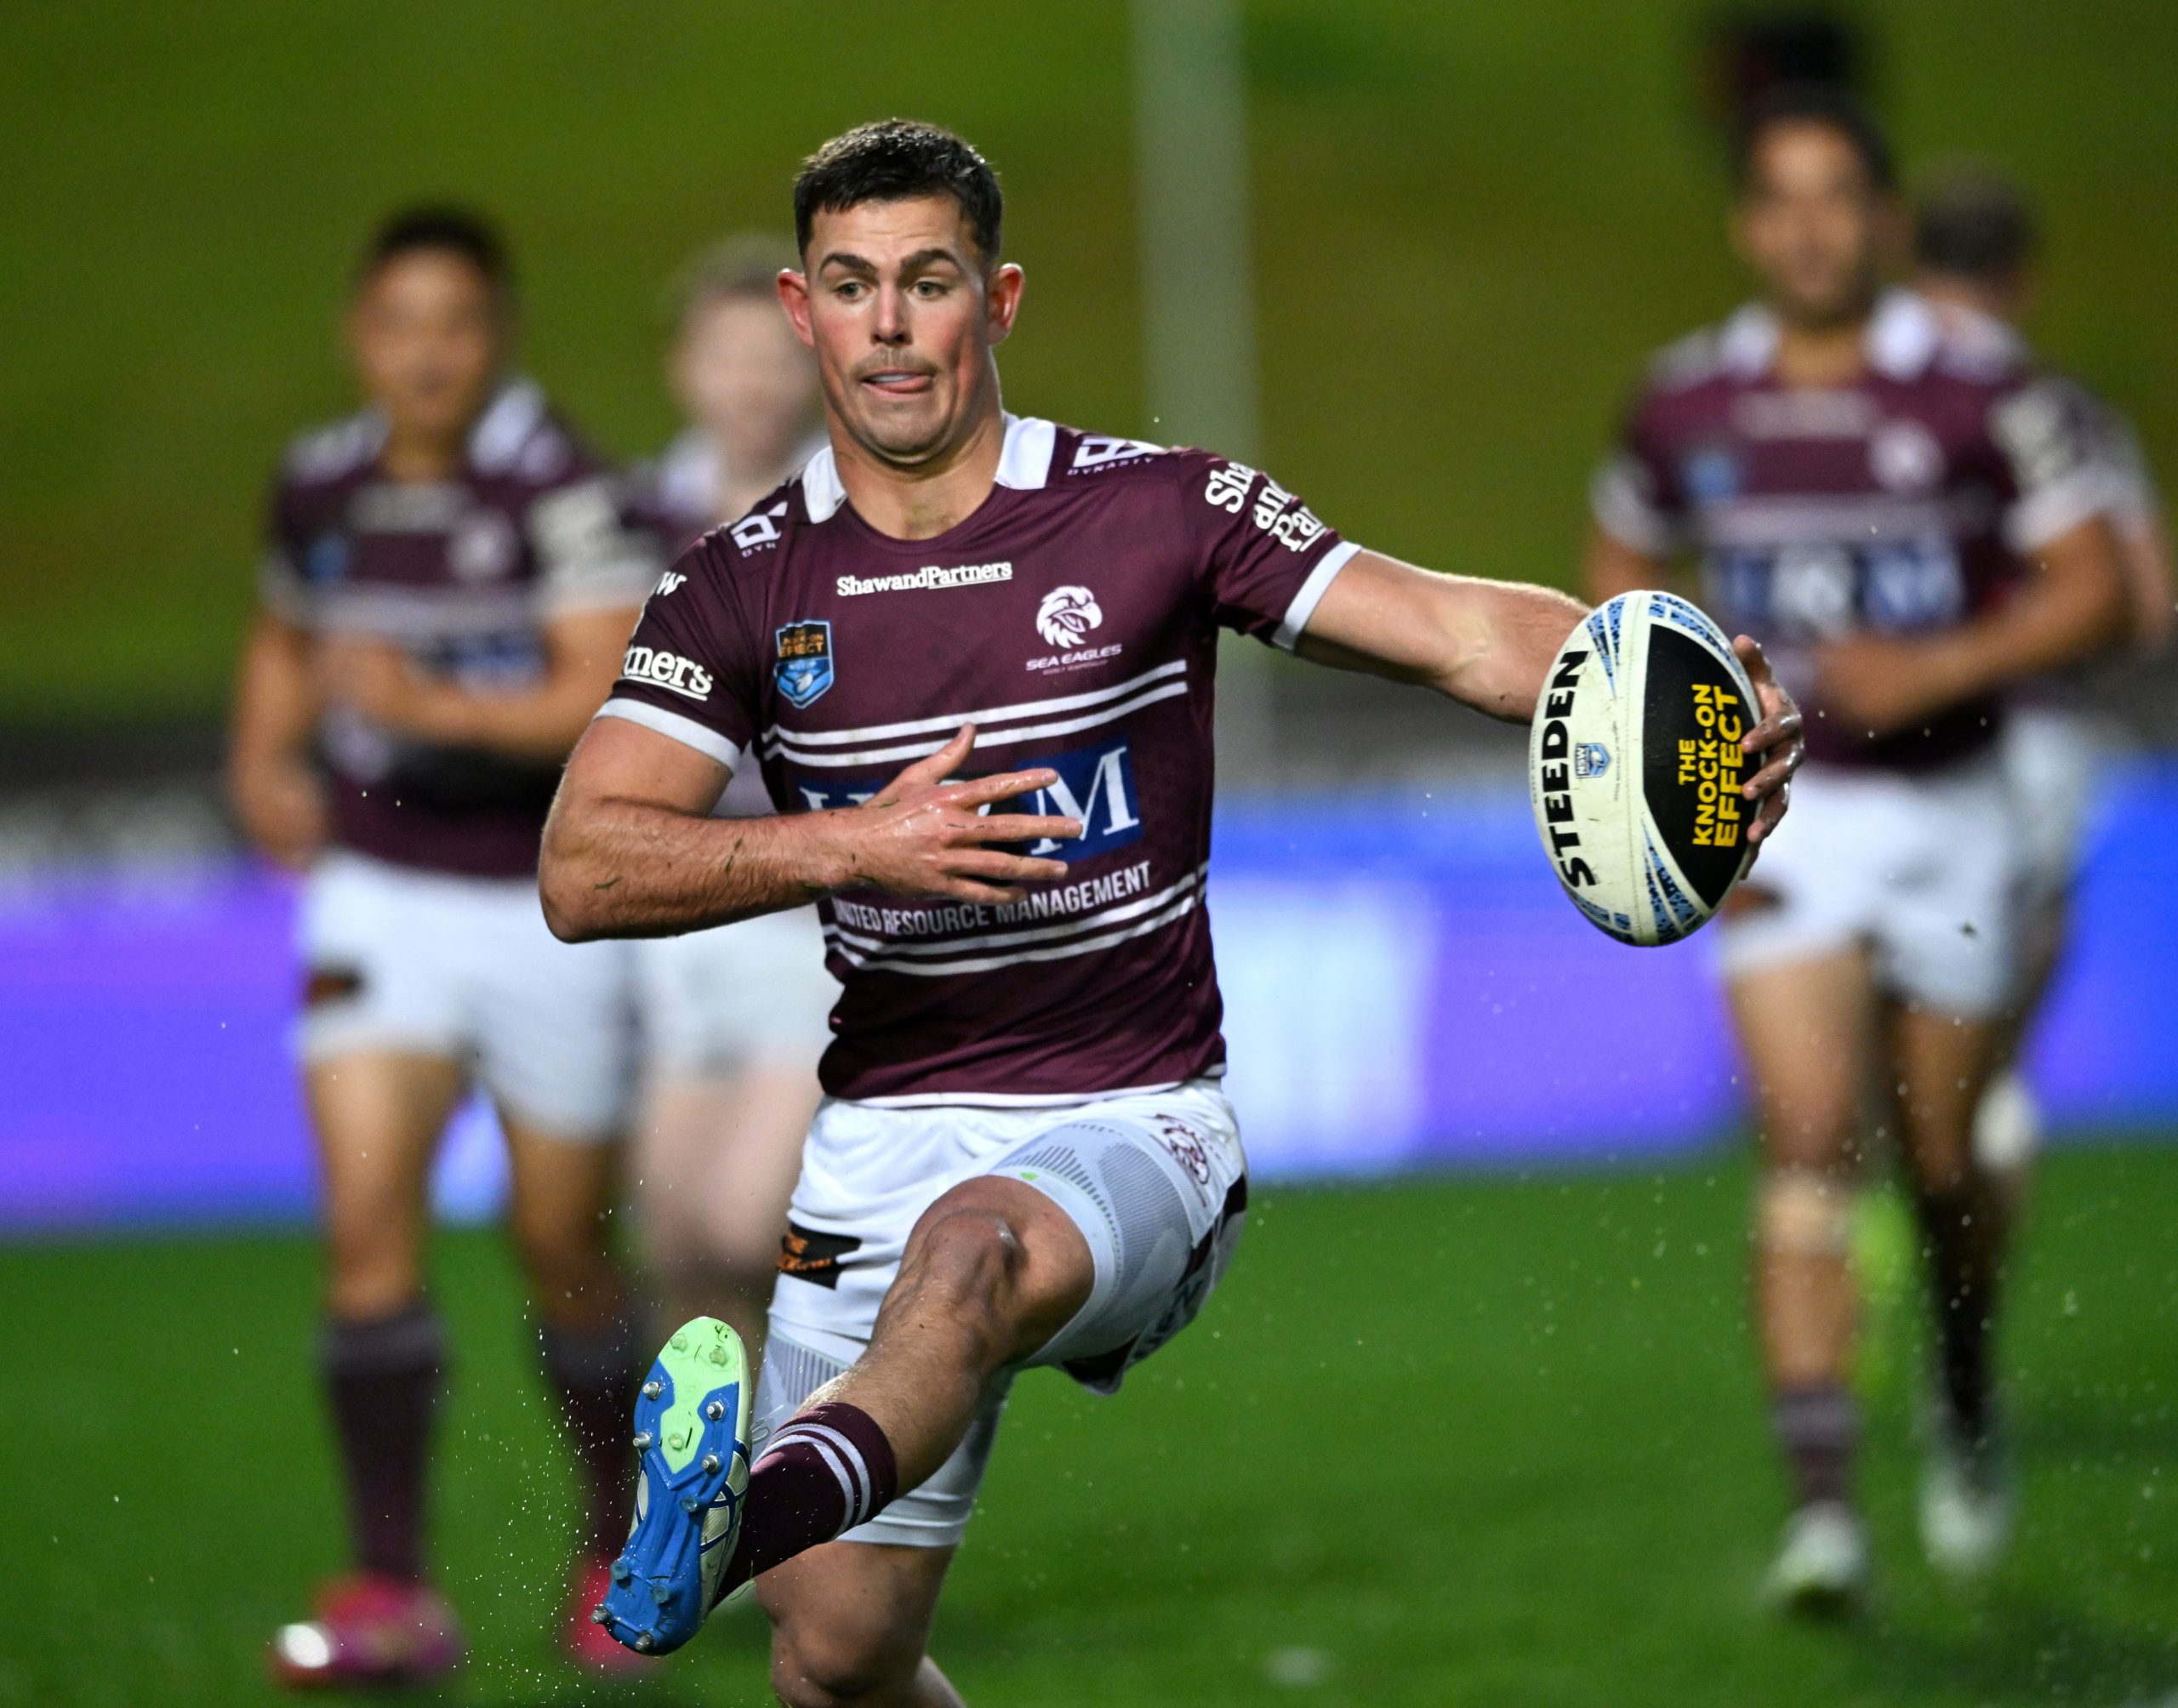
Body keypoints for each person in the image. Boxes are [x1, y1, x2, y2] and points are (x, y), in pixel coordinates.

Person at [538, 120, 1802, 1703]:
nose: (890, 325)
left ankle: (712, 1532)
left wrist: (1688, 693)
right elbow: (585, 867)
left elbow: (1463, 633)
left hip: (1137, 1116)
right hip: (875, 1124)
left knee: (971, 1255)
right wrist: (860, 841)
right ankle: (754, 1548)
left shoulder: (1159, 513)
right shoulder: (738, 582)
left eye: (927, 282)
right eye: (852, 287)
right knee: (841, 1660)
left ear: (996, 300)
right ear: (801, 313)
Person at [1584, 90, 2127, 1610]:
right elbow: (1619, 566)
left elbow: (2097, 589)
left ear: (1879, 220)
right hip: (1786, 810)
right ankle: (1825, 1512)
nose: (1810, 225)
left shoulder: (1976, 391)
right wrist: (1683, 771)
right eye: (1781, 198)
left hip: (1956, 807)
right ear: (1749, 225)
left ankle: (1959, 1383)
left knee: (1945, 1160)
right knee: (1811, 1132)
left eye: (1839, 196)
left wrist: (1940, 666)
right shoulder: (1686, 402)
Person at [227, 208, 664, 1683]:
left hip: (548, 896)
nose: (428, 352)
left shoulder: (560, 484)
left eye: (457, 323)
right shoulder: (320, 481)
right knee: (366, 1230)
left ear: (499, 334)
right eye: (401, 323)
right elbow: (287, 633)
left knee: (565, 1251)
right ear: (362, 334)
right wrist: (265, 759)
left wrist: (431, 706)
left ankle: (619, 1539)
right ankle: (388, 1589)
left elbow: (600, 689)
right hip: (379, 893)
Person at [1910, 168, 2175, 1199]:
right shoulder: (2067, 414)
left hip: (1889, 750)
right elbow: (2144, 607)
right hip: (2041, 744)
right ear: (2020, 281)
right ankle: (1965, 1328)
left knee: (1895, 1050)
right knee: (1988, 1064)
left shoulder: (1879, 397)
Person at [622, 238, 837, 1349]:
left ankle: (822, 1478)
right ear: (683, 369)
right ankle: (704, 1503)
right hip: (673, 905)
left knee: (753, 1222)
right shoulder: (622, 524)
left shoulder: (848, 518)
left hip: (799, 911)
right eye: (728, 357)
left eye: (773, 357)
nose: (752, 383)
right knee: (673, 1242)